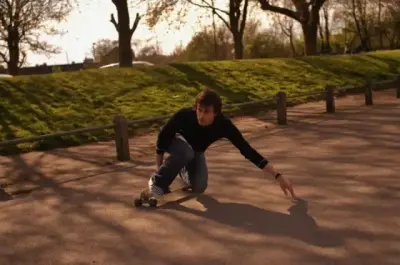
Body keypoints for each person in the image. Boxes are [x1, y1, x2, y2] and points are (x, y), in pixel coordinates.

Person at [145, 87, 296, 199]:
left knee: (199, 187)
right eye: (199, 110)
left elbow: (247, 150)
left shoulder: (224, 125)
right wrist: (159, 172)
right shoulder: (184, 116)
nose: (201, 116)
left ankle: (179, 168)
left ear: (216, 113)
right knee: (186, 152)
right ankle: (157, 184)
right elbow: (162, 140)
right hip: (175, 142)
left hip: (195, 151)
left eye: (206, 112)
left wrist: (278, 176)